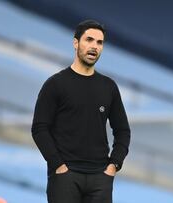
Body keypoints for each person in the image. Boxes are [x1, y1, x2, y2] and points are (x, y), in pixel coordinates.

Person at [31, 20, 131, 203]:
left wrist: (113, 165)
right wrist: (58, 165)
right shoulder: (55, 84)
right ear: (76, 43)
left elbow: (123, 131)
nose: (94, 46)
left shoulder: (108, 87)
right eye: (89, 40)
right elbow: (39, 128)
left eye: (99, 42)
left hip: (100, 179)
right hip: (65, 177)